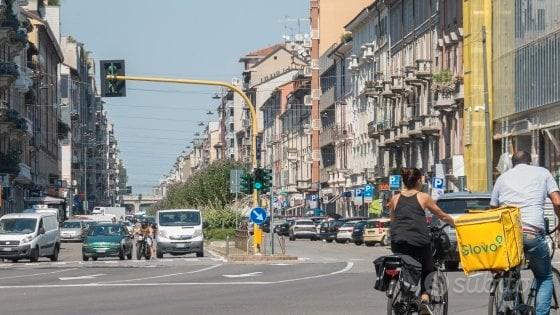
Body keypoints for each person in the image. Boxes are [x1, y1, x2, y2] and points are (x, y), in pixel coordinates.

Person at [491, 150, 560, 315]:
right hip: (532, 231)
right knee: (544, 276)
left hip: (508, 235)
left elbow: (493, 208)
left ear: (512, 163)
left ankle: (511, 299)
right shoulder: (543, 173)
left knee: (511, 267)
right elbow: (557, 201)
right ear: (530, 162)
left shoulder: (502, 178)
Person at [388, 168, 454, 315]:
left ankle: (405, 295)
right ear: (418, 181)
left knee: (406, 263)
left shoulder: (395, 198)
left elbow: (393, 220)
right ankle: (424, 299)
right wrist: (454, 222)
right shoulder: (423, 197)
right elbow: (441, 215)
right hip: (418, 240)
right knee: (428, 268)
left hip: (397, 241)